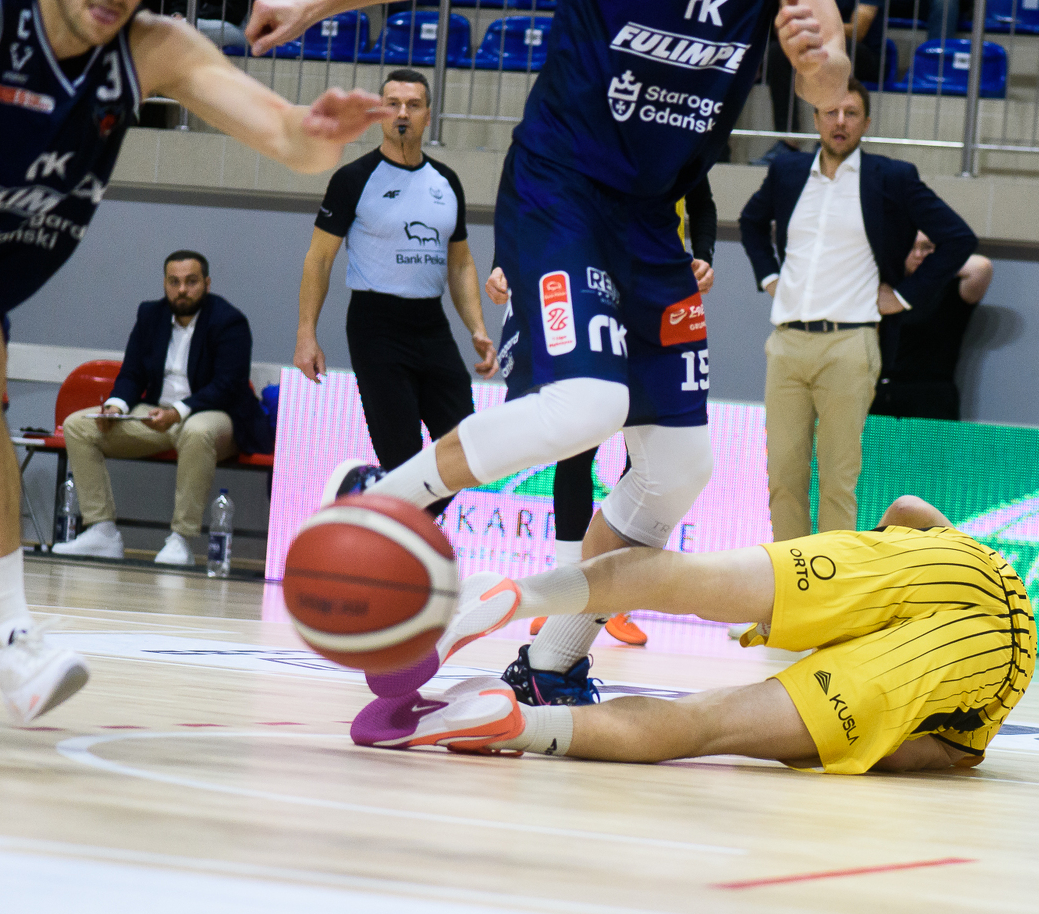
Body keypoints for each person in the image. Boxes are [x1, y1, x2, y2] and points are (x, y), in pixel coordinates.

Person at [257, 0, 852, 722]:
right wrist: (308, 6)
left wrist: (821, 67)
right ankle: (378, 499)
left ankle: (549, 664)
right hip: (562, 190)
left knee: (680, 466)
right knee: (589, 405)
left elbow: (830, 85)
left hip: (652, 218)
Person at [0, 0, 388, 723]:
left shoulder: (151, 48)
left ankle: (14, 643)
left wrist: (317, 134)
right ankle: (13, 640)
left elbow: (291, 140)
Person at [353, 494, 1035, 777]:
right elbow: (908, 755)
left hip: (940, 564)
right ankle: (516, 725)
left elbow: (908, 509)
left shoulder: (986, 556)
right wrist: (807, 735)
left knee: (688, 577)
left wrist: (847, 598)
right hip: (955, 659)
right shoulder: (982, 721)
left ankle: (516, 595)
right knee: (705, 724)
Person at [739, 77, 976, 542]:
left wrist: (903, 296)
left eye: (851, 113)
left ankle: (834, 584)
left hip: (850, 344)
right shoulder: (787, 171)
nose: (840, 121)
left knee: (837, 480)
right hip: (786, 342)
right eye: (831, 112)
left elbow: (958, 237)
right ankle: (788, 581)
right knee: (782, 477)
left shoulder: (892, 177)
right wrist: (769, 277)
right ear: (815, 119)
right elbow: (750, 222)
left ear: (866, 122)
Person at [487, 177, 719, 649]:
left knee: (647, 461)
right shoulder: (581, 147)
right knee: (577, 448)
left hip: (656, 297)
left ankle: (617, 600)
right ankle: (562, 591)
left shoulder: (677, 146)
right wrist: (502, 260)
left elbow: (702, 199)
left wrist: (704, 255)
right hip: (590, 290)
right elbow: (525, 194)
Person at [295, 68, 496, 513]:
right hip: (376, 325)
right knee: (402, 456)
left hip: (432, 324)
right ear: (380, 113)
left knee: (468, 449)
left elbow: (460, 262)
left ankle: (374, 506)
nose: (403, 113)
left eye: (414, 105)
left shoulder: (447, 181)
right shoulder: (353, 179)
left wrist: (478, 329)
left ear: (428, 116)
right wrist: (306, 334)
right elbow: (319, 259)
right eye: (393, 104)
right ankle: (395, 531)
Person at [53, 250, 271, 565]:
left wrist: (178, 411)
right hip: (157, 414)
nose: (182, 290)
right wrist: (115, 407)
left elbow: (228, 385)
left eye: (191, 282)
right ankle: (102, 531)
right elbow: (132, 374)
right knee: (78, 425)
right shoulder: (150, 316)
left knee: (197, 432)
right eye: (174, 282)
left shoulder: (229, 321)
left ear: (207, 283)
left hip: (215, 415)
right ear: (165, 284)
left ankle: (181, 539)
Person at [871, 236, 992, 421]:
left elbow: (981, 267)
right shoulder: (888, 289)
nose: (919, 254)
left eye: (927, 248)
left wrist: (933, 268)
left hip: (930, 397)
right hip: (881, 392)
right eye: (911, 248)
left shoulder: (951, 291)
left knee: (930, 443)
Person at [754, 0, 888, 166]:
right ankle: (787, 140)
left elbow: (858, 30)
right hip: (823, 41)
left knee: (828, 54)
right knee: (778, 52)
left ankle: (829, 140)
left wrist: (816, 29)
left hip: (864, 53)